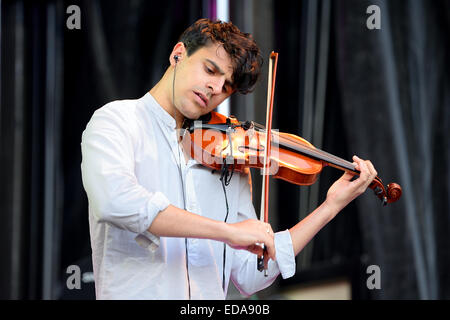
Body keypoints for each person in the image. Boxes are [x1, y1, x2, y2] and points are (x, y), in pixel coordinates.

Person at [81, 18, 378, 300]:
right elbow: (115, 201)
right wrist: (227, 232)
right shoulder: (117, 121)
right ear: (178, 54)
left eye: (226, 87)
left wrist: (330, 207)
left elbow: (252, 274)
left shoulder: (228, 157)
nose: (215, 89)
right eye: (210, 70)